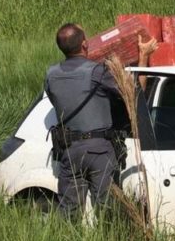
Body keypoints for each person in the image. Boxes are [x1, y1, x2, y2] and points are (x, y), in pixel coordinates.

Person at [44, 23, 157, 220]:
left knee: (70, 213)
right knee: (107, 210)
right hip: (98, 149)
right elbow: (134, 94)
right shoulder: (97, 72)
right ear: (85, 44)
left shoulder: (51, 74)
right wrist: (144, 57)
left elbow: (56, 102)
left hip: (69, 151)